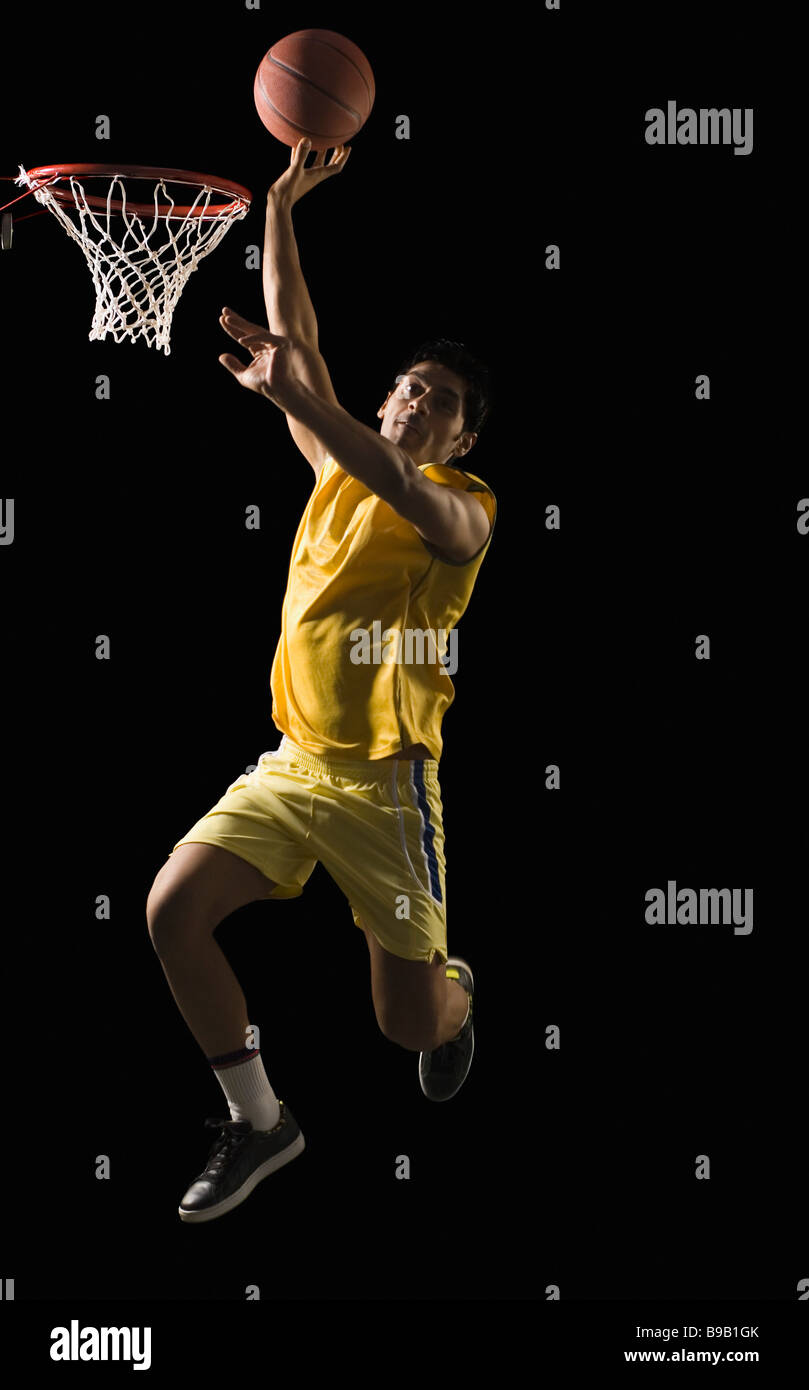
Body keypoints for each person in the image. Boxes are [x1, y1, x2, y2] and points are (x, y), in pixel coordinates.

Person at [145, 139, 497, 1223]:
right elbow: (295, 340)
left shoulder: (461, 509)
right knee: (169, 912)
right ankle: (261, 1122)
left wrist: (308, 401)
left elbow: (388, 466)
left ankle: (458, 993)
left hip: (386, 793)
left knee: (407, 1025)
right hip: (295, 767)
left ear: (460, 434)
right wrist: (285, 203)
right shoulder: (338, 476)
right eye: (400, 384)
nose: (406, 400)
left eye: (430, 398)